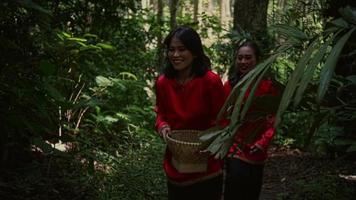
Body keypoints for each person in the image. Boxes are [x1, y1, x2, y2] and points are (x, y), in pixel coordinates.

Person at [155, 26, 225, 200]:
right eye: (171, 50)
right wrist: (162, 126)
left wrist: (211, 143)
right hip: (176, 159)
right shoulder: (163, 82)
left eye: (182, 49)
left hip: (207, 160)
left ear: (194, 53)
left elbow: (222, 119)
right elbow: (161, 113)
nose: (175, 55)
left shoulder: (211, 81)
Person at [222, 40, 279, 200]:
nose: (243, 62)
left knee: (251, 191)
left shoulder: (268, 86)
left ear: (257, 60)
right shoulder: (230, 85)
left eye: (248, 58)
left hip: (257, 149)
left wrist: (263, 141)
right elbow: (223, 117)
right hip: (235, 147)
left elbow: (273, 118)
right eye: (240, 58)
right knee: (233, 187)